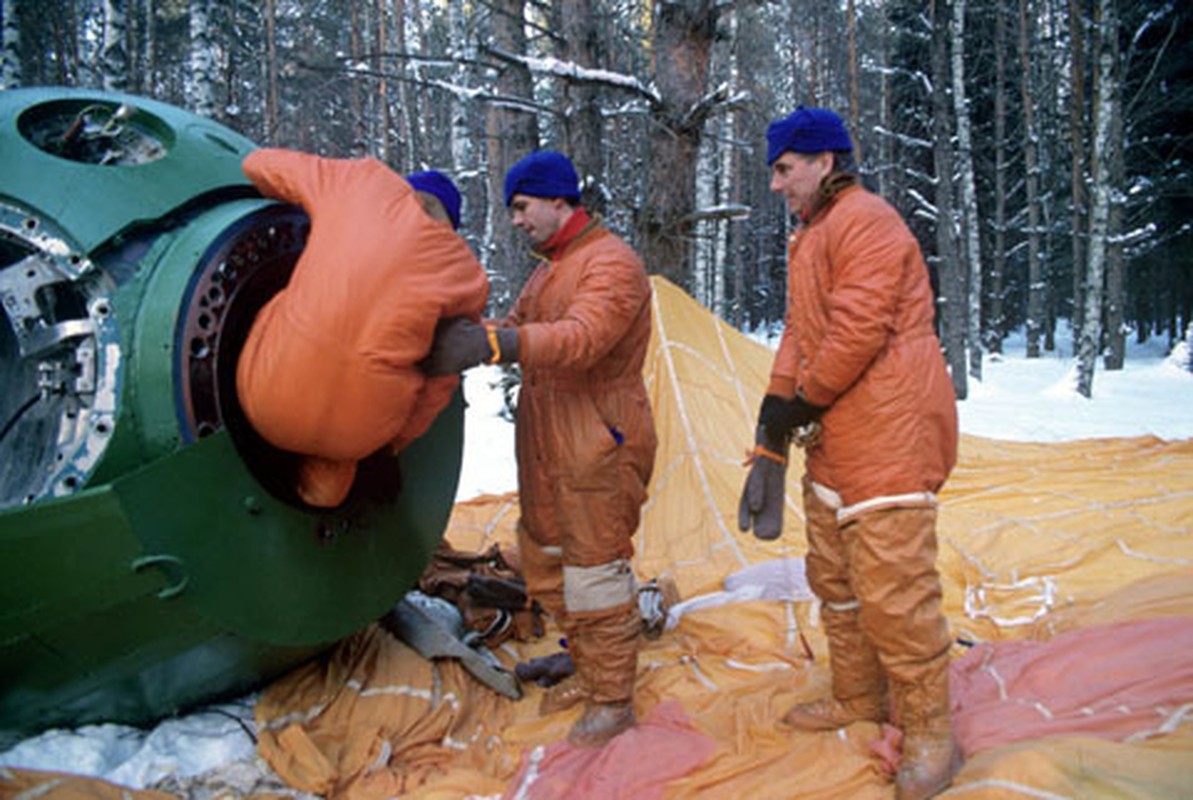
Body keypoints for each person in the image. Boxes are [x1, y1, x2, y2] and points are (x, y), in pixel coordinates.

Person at [737, 107, 960, 799]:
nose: (774, 185)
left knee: (894, 588)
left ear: (824, 161)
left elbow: (859, 327)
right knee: (834, 575)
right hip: (839, 432)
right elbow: (802, 333)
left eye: (783, 169)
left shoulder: (865, 221)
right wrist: (775, 414)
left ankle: (929, 732)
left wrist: (806, 399)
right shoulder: (812, 235)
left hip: (890, 425)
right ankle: (859, 696)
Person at [422, 150, 657, 748]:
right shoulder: (549, 270)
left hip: (599, 436)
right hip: (549, 439)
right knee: (548, 560)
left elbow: (582, 338)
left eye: (523, 208)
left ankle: (613, 699)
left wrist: (494, 345)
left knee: (595, 568)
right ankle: (589, 664)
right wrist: (464, 333)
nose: (517, 222)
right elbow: (518, 323)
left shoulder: (611, 263)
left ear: (559, 200)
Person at [236, 152, 488, 508]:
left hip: (262, 401)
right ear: (450, 223)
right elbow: (439, 384)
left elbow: (257, 164)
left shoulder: (361, 184)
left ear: (404, 191)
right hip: (359, 437)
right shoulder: (467, 276)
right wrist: (390, 445)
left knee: (286, 298)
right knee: (343, 449)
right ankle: (324, 487)